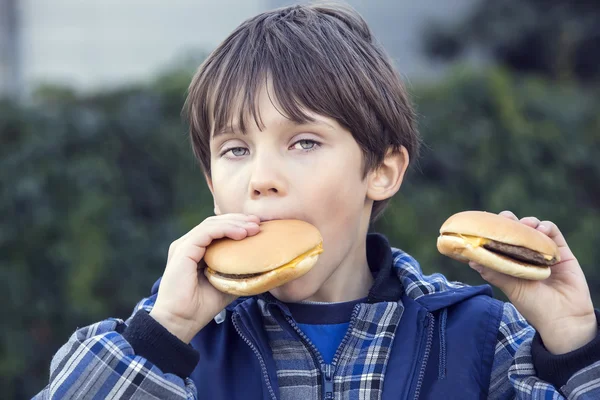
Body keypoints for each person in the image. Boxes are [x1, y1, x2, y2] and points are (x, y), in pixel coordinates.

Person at [35, 3, 600, 399]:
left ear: (381, 170)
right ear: (211, 185)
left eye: (303, 142)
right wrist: (163, 334)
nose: (262, 178)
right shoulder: (167, 343)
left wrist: (575, 349)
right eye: (234, 149)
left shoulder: (481, 336)